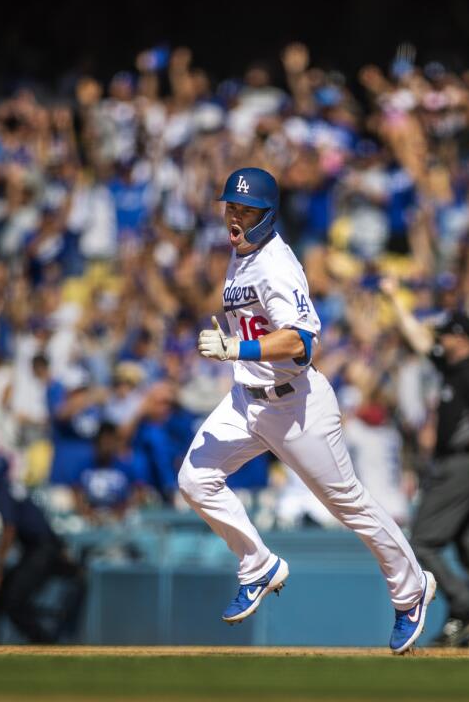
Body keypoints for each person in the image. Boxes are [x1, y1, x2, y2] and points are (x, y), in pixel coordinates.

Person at [178, 167, 434, 655]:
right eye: (231, 206)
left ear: (268, 214)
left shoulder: (276, 263)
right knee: (194, 480)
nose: (235, 216)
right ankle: (258, 566)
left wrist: (237, 348)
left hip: (296, 405)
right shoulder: (240, 254)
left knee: (349, 506)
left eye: (246, 209)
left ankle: (412, 589)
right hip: (245, 401)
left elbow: (301, 342)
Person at [381, 279, 469, 648]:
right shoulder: (452, 369)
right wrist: (395, 300)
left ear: (462, 339)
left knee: (420, 541)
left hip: (465, 466)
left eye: (447, 335)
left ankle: (467, 608)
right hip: (458, 466)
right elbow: (419, 340)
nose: (441, 340)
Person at [0, 454, 86, 644]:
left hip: (41, 550)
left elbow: (9, 530)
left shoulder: (4, 489)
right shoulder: (15, 487)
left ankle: (45, 644)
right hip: (45, 548)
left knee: (13, 600)